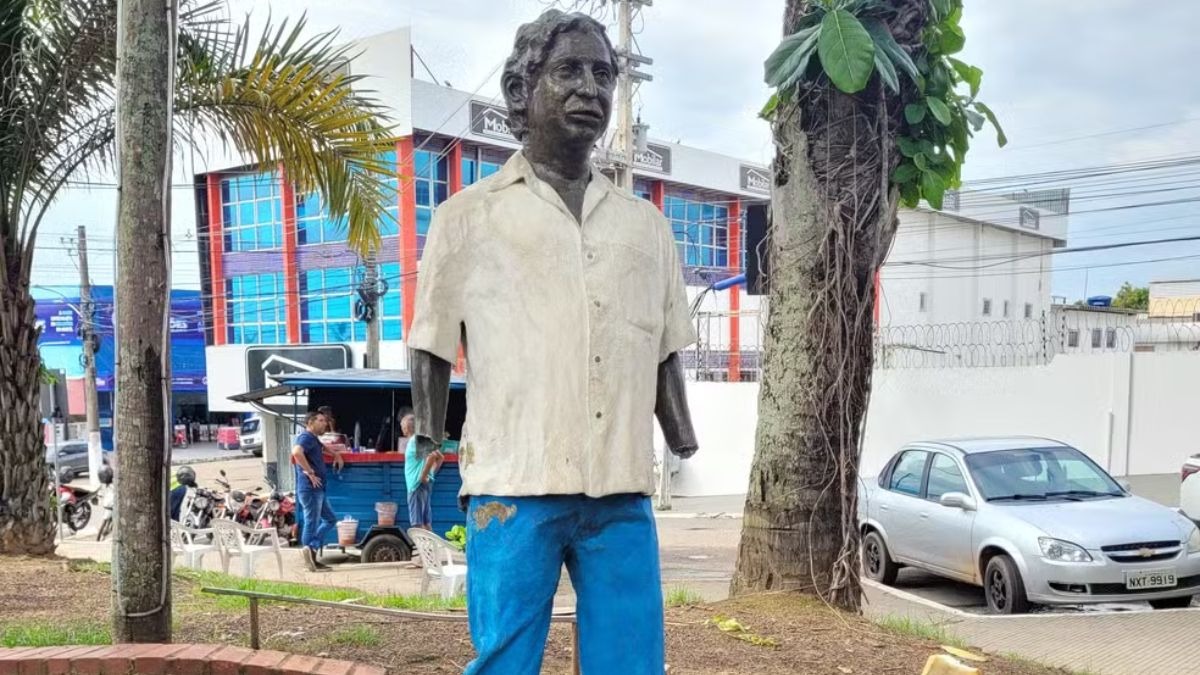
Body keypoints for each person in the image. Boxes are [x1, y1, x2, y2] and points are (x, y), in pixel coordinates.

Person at [406, 10, 698, 674]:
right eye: (568, 70)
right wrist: (426, 431)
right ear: (521, 90)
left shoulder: (645, 227)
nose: (590, 89)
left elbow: (663, 348)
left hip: (619, 487)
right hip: (514, 484)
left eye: (603, 74)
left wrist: (680, 432)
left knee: (631, 660)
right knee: (505, 659)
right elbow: (430, 342)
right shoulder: (467, 218)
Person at [292, 411, 345, 571]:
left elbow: (322, 447)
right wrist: (310, 472)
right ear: (310, 423)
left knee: (330, 519)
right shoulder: (306, 437)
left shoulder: (313, 438)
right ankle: (310, 557)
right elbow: (296, 452)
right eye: (321, 420)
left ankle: (312, 549)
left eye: (325, 420)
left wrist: (336, 454)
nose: (325, 423)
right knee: (312, 522)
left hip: (317, 489)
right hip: (311, 489)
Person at [404, 427, 443, 531]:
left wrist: (423, 476)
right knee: (426, 523)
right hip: (422, 485)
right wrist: (430, 474)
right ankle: (430, 542)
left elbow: (432, 456)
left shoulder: (415, 441)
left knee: (417, 525)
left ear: (406, 427)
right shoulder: (422, 440)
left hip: (416, 485)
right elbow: (440, 458)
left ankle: (422, 543)